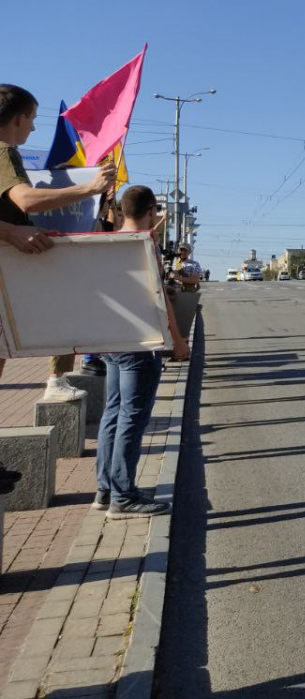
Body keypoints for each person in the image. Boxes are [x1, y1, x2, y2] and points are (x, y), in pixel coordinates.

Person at [0, 84, 115, 395]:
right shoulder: (4, 151)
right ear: (19, 119)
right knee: (67, 304)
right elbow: (25, 200)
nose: (35, 126)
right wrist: (87, 189)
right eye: (33, 118)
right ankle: (56, 382)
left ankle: (57, 382)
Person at [94, 185, 189, 519]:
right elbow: (158, 302)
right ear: (151, 211)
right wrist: (177, 341)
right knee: (132, 418)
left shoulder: (105, 242)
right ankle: (123, 495)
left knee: (113, 413)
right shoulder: (145, 245)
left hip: (111, 341)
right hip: (139, 343)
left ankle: (105, 489)